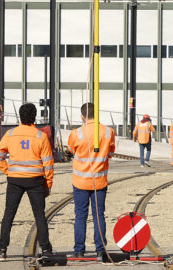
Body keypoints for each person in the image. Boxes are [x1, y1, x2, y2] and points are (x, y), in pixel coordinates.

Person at [0, 103, 54, 261]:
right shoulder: (41, 136)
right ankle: (46, 249)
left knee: (9, 214)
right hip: (35, 181)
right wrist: (48, 184)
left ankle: (1, 250)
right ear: (34, 117)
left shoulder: (10, 134)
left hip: (15, 180)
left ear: (20, 116)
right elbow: (48, 163)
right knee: (39, 215)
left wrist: (8, 170)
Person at [67, 102, 116, 259]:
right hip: (99, 182)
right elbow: (110, 152)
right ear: (97, 114)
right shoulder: (109, 132)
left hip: (80, 182)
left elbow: (71, 150)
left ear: (82, 116)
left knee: (80, 215)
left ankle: (79, 250)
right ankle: (100, 249)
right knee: (98, 215)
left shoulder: (76, 133)